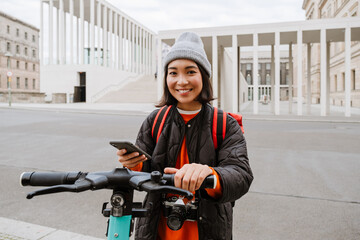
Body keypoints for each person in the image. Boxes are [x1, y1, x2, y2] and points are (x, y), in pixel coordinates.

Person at [117, 32, 253, 240]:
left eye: (190, 71)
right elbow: (145, 172)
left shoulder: (225, 123)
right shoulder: (155, 120)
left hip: (208, 230)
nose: (181, 81)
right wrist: (134, 163)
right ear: (165, 78)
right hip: (157, 230)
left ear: (203, 76)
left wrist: (209, 175)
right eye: (173, 73)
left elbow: (241, 175)